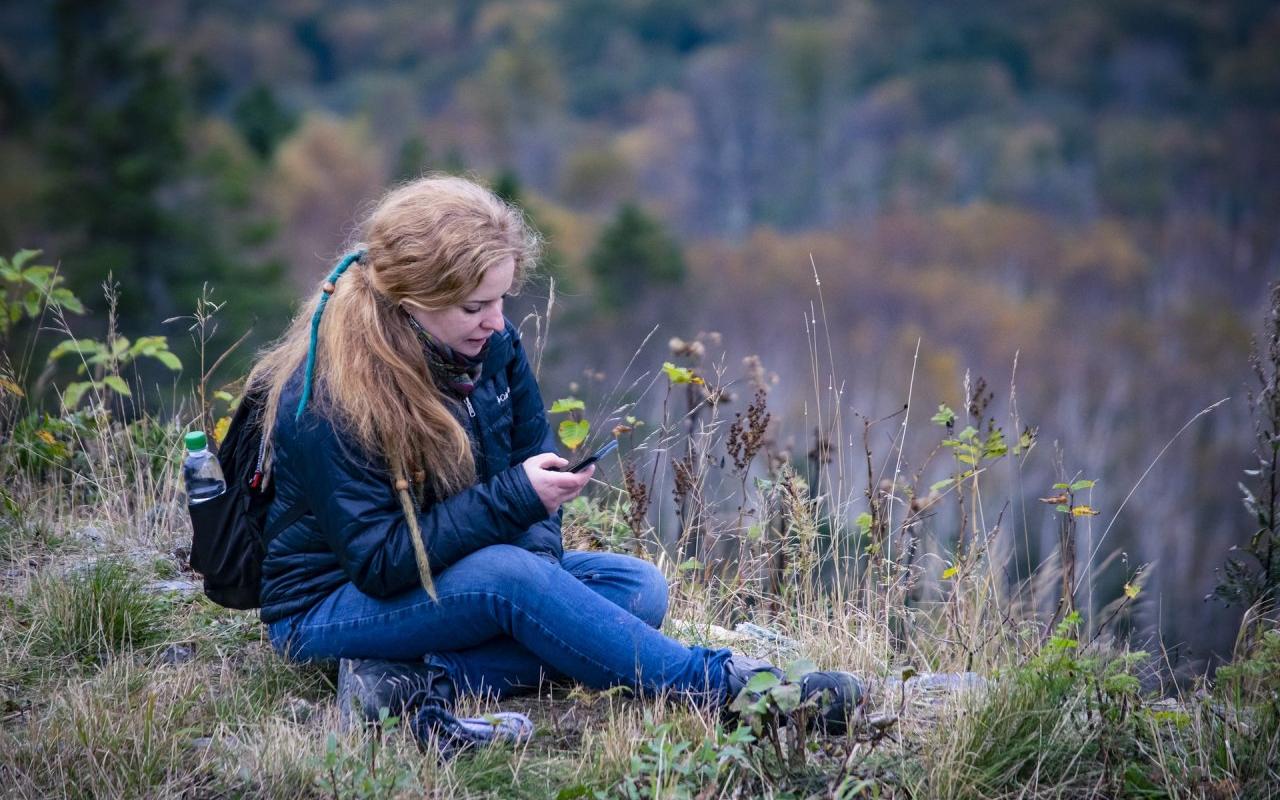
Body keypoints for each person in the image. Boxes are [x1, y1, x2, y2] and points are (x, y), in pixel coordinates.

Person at [247, 175, 864, 751]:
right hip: (327, 607)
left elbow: (526, 458)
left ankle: (407, 681)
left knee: (637, 588)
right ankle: (731, 689)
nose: (496, 321)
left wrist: (540, 567)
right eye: (473, 307)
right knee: (513, 581)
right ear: (411, 298)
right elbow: (380, 562)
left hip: (444, 571)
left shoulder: (491, 349)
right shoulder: (331, 396)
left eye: (502, 300)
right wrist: (520, 535)